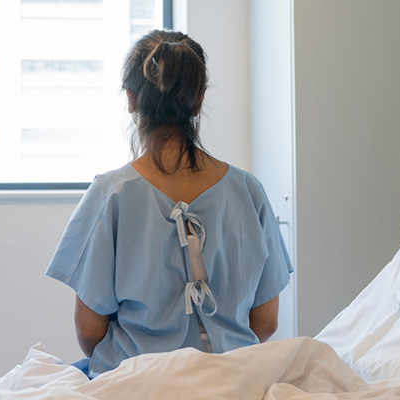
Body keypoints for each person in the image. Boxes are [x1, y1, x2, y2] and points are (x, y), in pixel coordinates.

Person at [44, 30, 293, 379]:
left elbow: (89, 332)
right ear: (199, 100)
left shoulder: (109, 194)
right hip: (232, 380)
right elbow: (265, 323)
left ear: (131, 99)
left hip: (137, 380)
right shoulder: (248, 191)